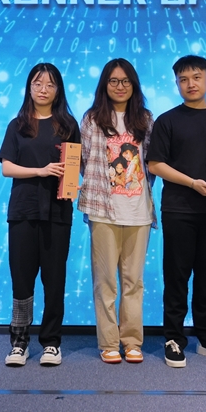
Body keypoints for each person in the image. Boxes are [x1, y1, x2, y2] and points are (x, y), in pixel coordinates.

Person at [147, 55, 206, 368]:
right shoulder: (167, 121)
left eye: (197, 77)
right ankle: (173, 337)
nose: (191, 84)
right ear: (176, 83)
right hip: (179, 210)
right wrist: (191, 183)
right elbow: (155, 164)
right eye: (183, 79)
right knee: (176, 277)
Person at [0, 63, 80, 367]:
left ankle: (51, 343)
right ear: (29, 87)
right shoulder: (18, 125)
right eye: (37, 83)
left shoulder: (68, 125)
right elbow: (7, 168)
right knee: (21, 279)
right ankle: (19, 342)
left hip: (58, 212)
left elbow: (75, 166)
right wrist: (40, 171)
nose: (43, 89)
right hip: (23, 211)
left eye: (50, 84)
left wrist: (75, 181)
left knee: (54, 280)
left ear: (58, 90)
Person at [78, 59, 156, 364]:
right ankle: (109, 342)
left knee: (134, 281)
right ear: (104, 84)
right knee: (105, 282)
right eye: (113, 81)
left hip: (139, 211)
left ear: (133, 85)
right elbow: (84, 161)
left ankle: (132, 341)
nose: (120, 86)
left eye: (125, 81)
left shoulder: (145, 119)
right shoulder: (92, 119)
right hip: (103, 211)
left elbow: (152, 163)